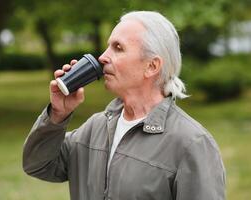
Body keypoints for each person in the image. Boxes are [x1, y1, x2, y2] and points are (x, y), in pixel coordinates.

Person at [23, 11, 226, 200]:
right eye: (108, 46)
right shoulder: (94, 128)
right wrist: (57, 114)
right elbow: (37, 165)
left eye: (118, 48)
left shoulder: (192, 144)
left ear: (152, 66)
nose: (102, 57)